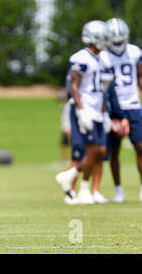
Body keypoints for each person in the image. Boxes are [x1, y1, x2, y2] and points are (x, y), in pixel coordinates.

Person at [55, 20, 111, 204]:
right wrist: (81, 110)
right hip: (84, 109)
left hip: (96, 109)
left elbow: (101, 90)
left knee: (100, 150)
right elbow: (74, 86)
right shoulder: (81, 57)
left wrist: (104, 113)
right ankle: (79, 188)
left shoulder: (101, 58)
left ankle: (73, 179)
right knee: (89, 150)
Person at [100, 18, 142, 203]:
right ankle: (118, 190)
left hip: (133, 105)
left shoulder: (134, 52)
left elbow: (140, 76)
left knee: (140, 147)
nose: (117, 44)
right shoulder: (102, 56)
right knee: (114, 151)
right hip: (114, 108)